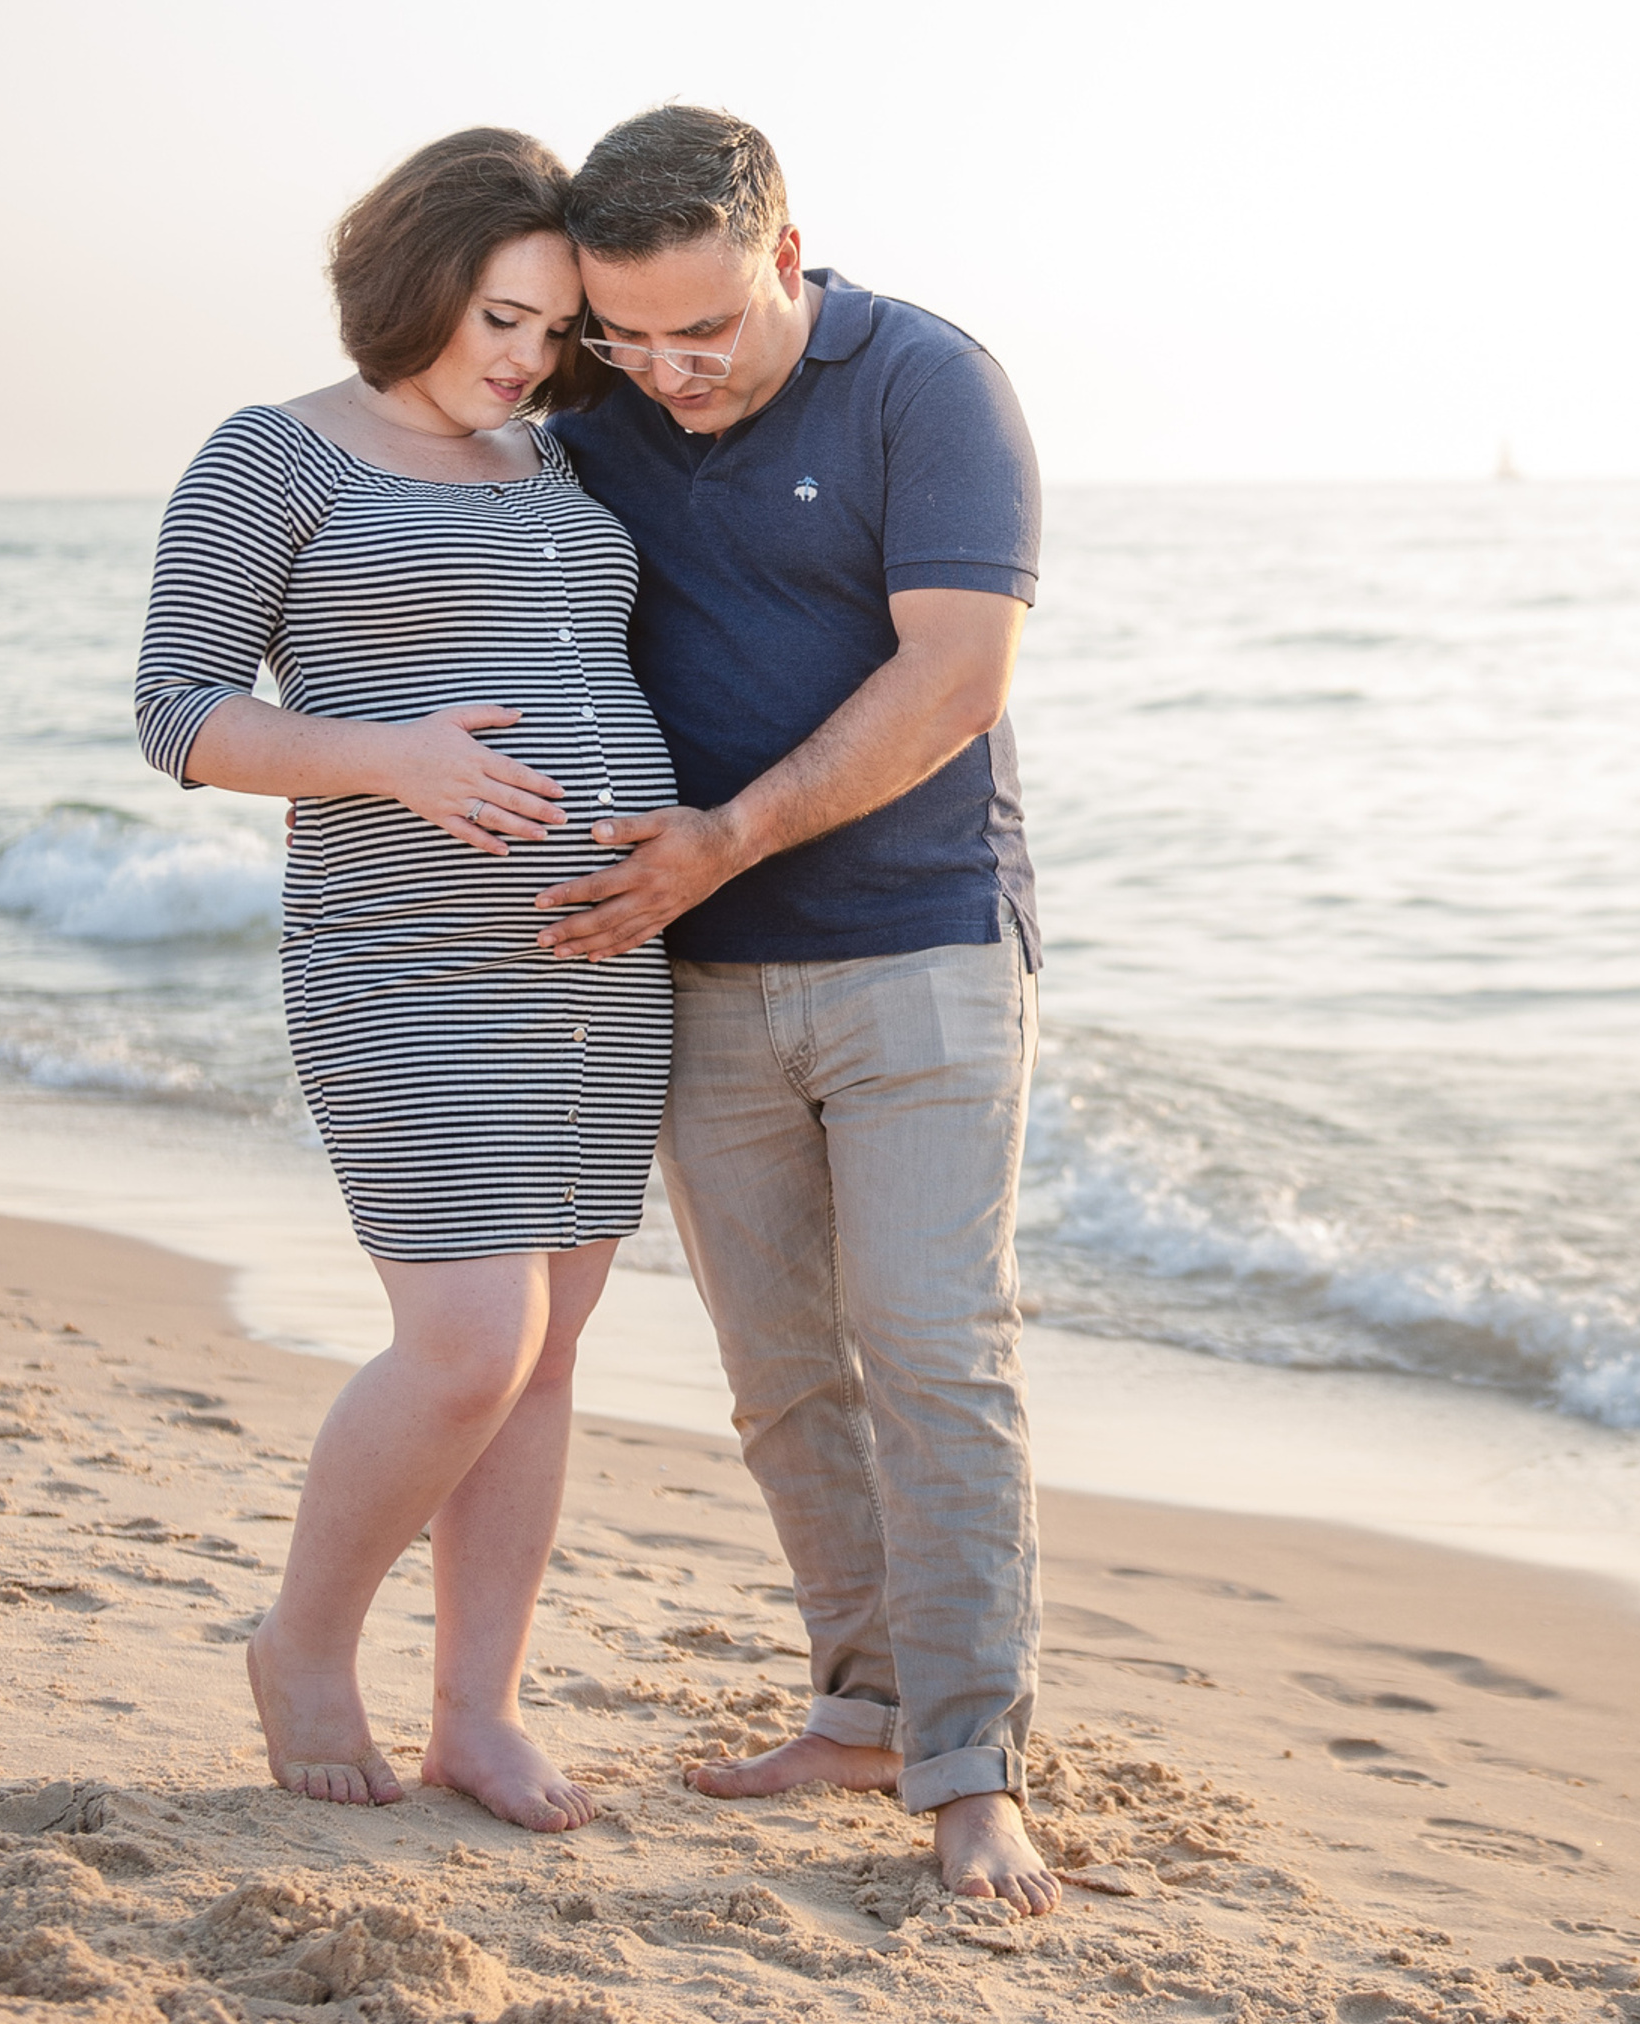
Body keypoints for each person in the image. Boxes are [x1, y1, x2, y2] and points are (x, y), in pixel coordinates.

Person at [536, 105, 1055, 1913]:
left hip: (918, 944)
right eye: (626, 335)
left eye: (704, 331)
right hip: (697, 980)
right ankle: (860, 1701)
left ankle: (970, 1765)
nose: (665, 373)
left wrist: (725, 839)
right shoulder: (593, 402)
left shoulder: (925, 380)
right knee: (780, 1374)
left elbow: (960, 673)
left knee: (932, 1347)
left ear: (786, 254)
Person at [134, 129, 673, 1834]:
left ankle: (479, 1713)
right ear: (419, 276)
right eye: (501, 314)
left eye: (551, 329)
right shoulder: (274, 459)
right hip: (408, 959)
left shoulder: (558, 460)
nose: (523, 357)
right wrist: (392, 760)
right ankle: (302, 1646)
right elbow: (183, 715)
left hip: (600, 967)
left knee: (551, 1349)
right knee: (466, 1344)